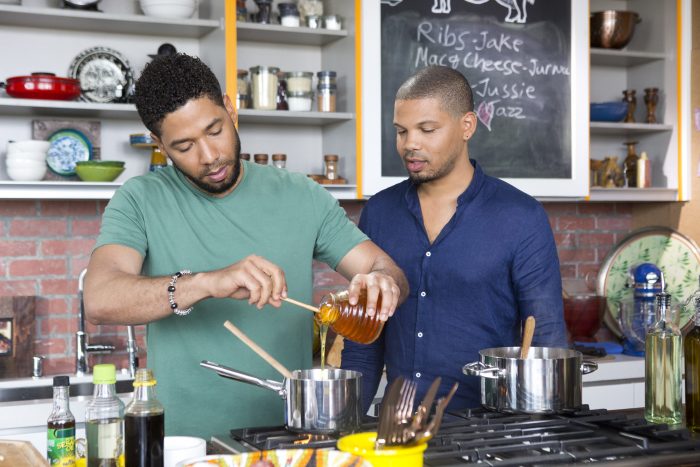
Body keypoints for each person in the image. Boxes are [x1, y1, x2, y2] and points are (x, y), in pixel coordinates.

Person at [83, 53, 408, 438]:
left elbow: (386, 271)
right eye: (184, 146)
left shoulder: (301, 195)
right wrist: (205, 283)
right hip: (185, 447)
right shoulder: (140, 199)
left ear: (231, 110)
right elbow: (99, 299)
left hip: (290, 440)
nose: (209, 156)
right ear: (159, 144)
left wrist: (384, 282)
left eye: (214, 129)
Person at [341, 66, 567, 413]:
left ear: (467, 126)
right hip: (396, 431)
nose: (410, 144)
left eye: (426, 129)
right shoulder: (380, 211)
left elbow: (546, 340)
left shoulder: (521, 216)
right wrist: (343, 427)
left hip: (488, 433)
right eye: (401, 131)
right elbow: (364, 341)